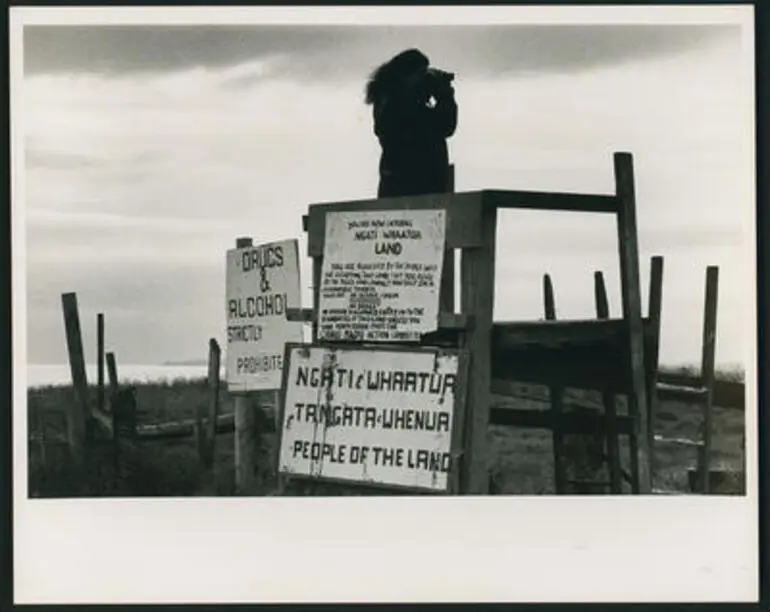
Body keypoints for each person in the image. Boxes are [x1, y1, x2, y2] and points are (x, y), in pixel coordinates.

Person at [365, 49, 458, 198]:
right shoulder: (400, 105)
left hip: (399, 187)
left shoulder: (388, 100)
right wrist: (444, 96)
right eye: (421, 74)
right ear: (405, 76)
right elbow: (445, 126)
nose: (425, 79)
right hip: (418, 187)